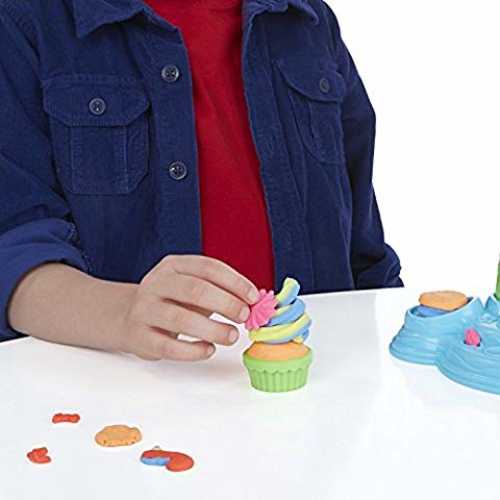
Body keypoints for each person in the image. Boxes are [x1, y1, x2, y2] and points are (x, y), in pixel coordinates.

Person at [0, 0, 402, 360]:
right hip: (124, 399)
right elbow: (13, 256)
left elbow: (363, 251)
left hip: (318, 388)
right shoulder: (26, 18)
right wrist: (122, 312)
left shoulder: (307, 19)